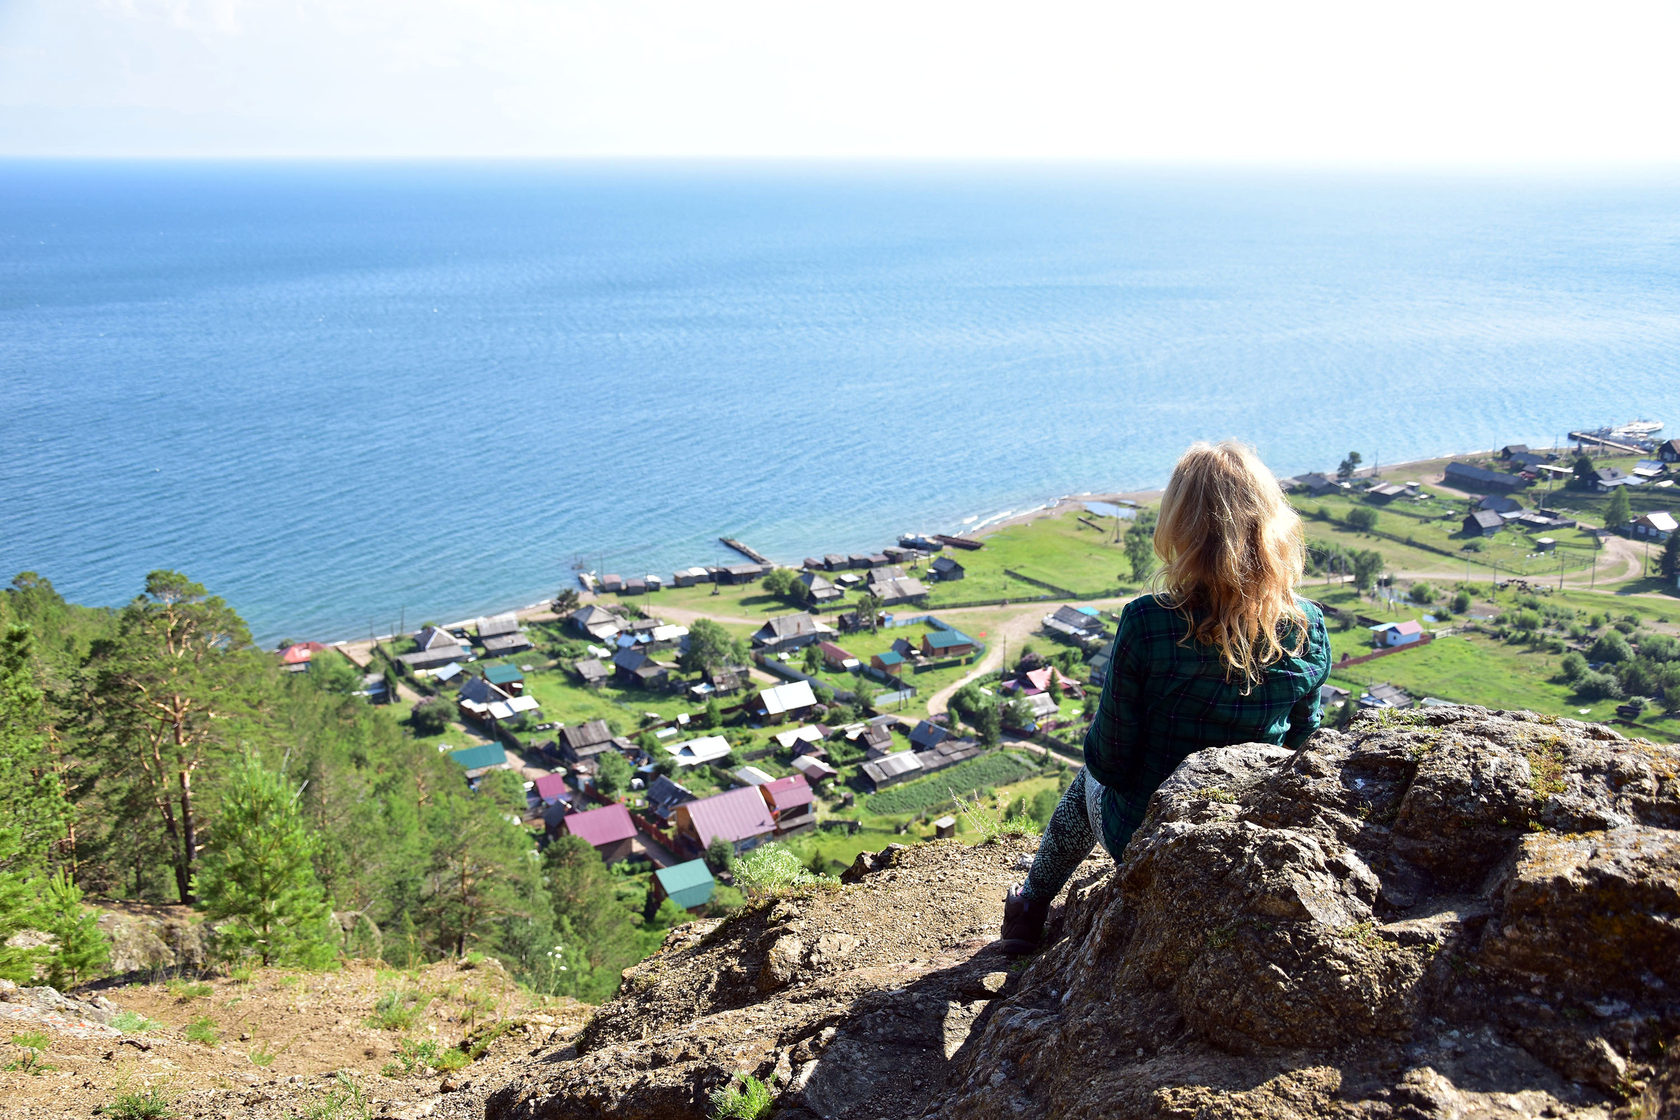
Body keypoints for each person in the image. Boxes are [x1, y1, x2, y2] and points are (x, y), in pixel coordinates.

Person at [999, 440, 1332, 953]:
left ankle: (1029, 907)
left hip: (1145, 836)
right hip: (1243, 835)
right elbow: (1303, 748)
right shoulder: (1307, 626)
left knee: (1085, 777)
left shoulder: (1148, 621)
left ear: (1182, 525)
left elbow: (1109, 761)